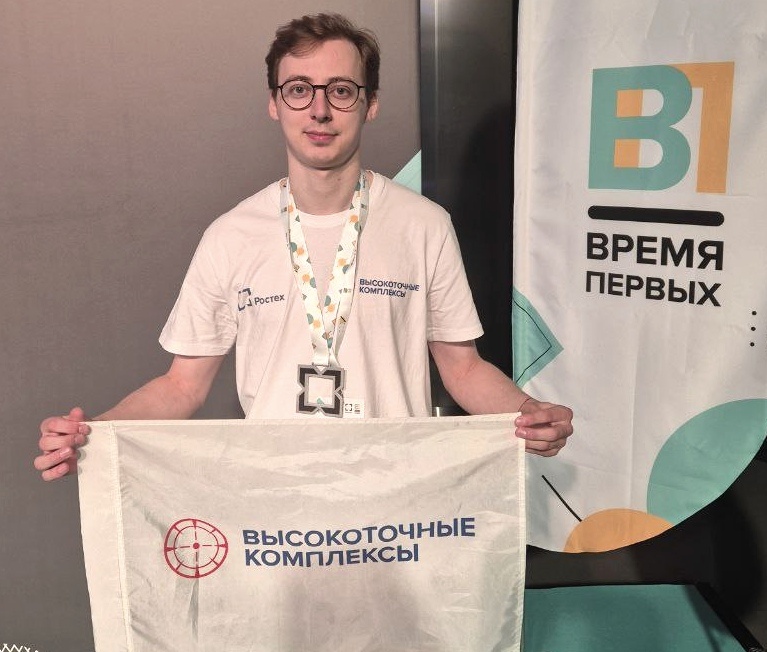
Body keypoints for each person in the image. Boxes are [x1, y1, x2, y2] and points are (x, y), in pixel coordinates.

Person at [34, 13, 573, 482]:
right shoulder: (230, 235)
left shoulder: (424, 226)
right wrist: (94, 431)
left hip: (397, 498)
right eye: (298, 89)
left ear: (370, 104)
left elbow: (463, 369)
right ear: (275, 104)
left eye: (341, 90)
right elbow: (182, 386)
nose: (319, 110)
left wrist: (529, 412)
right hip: (277, 509)